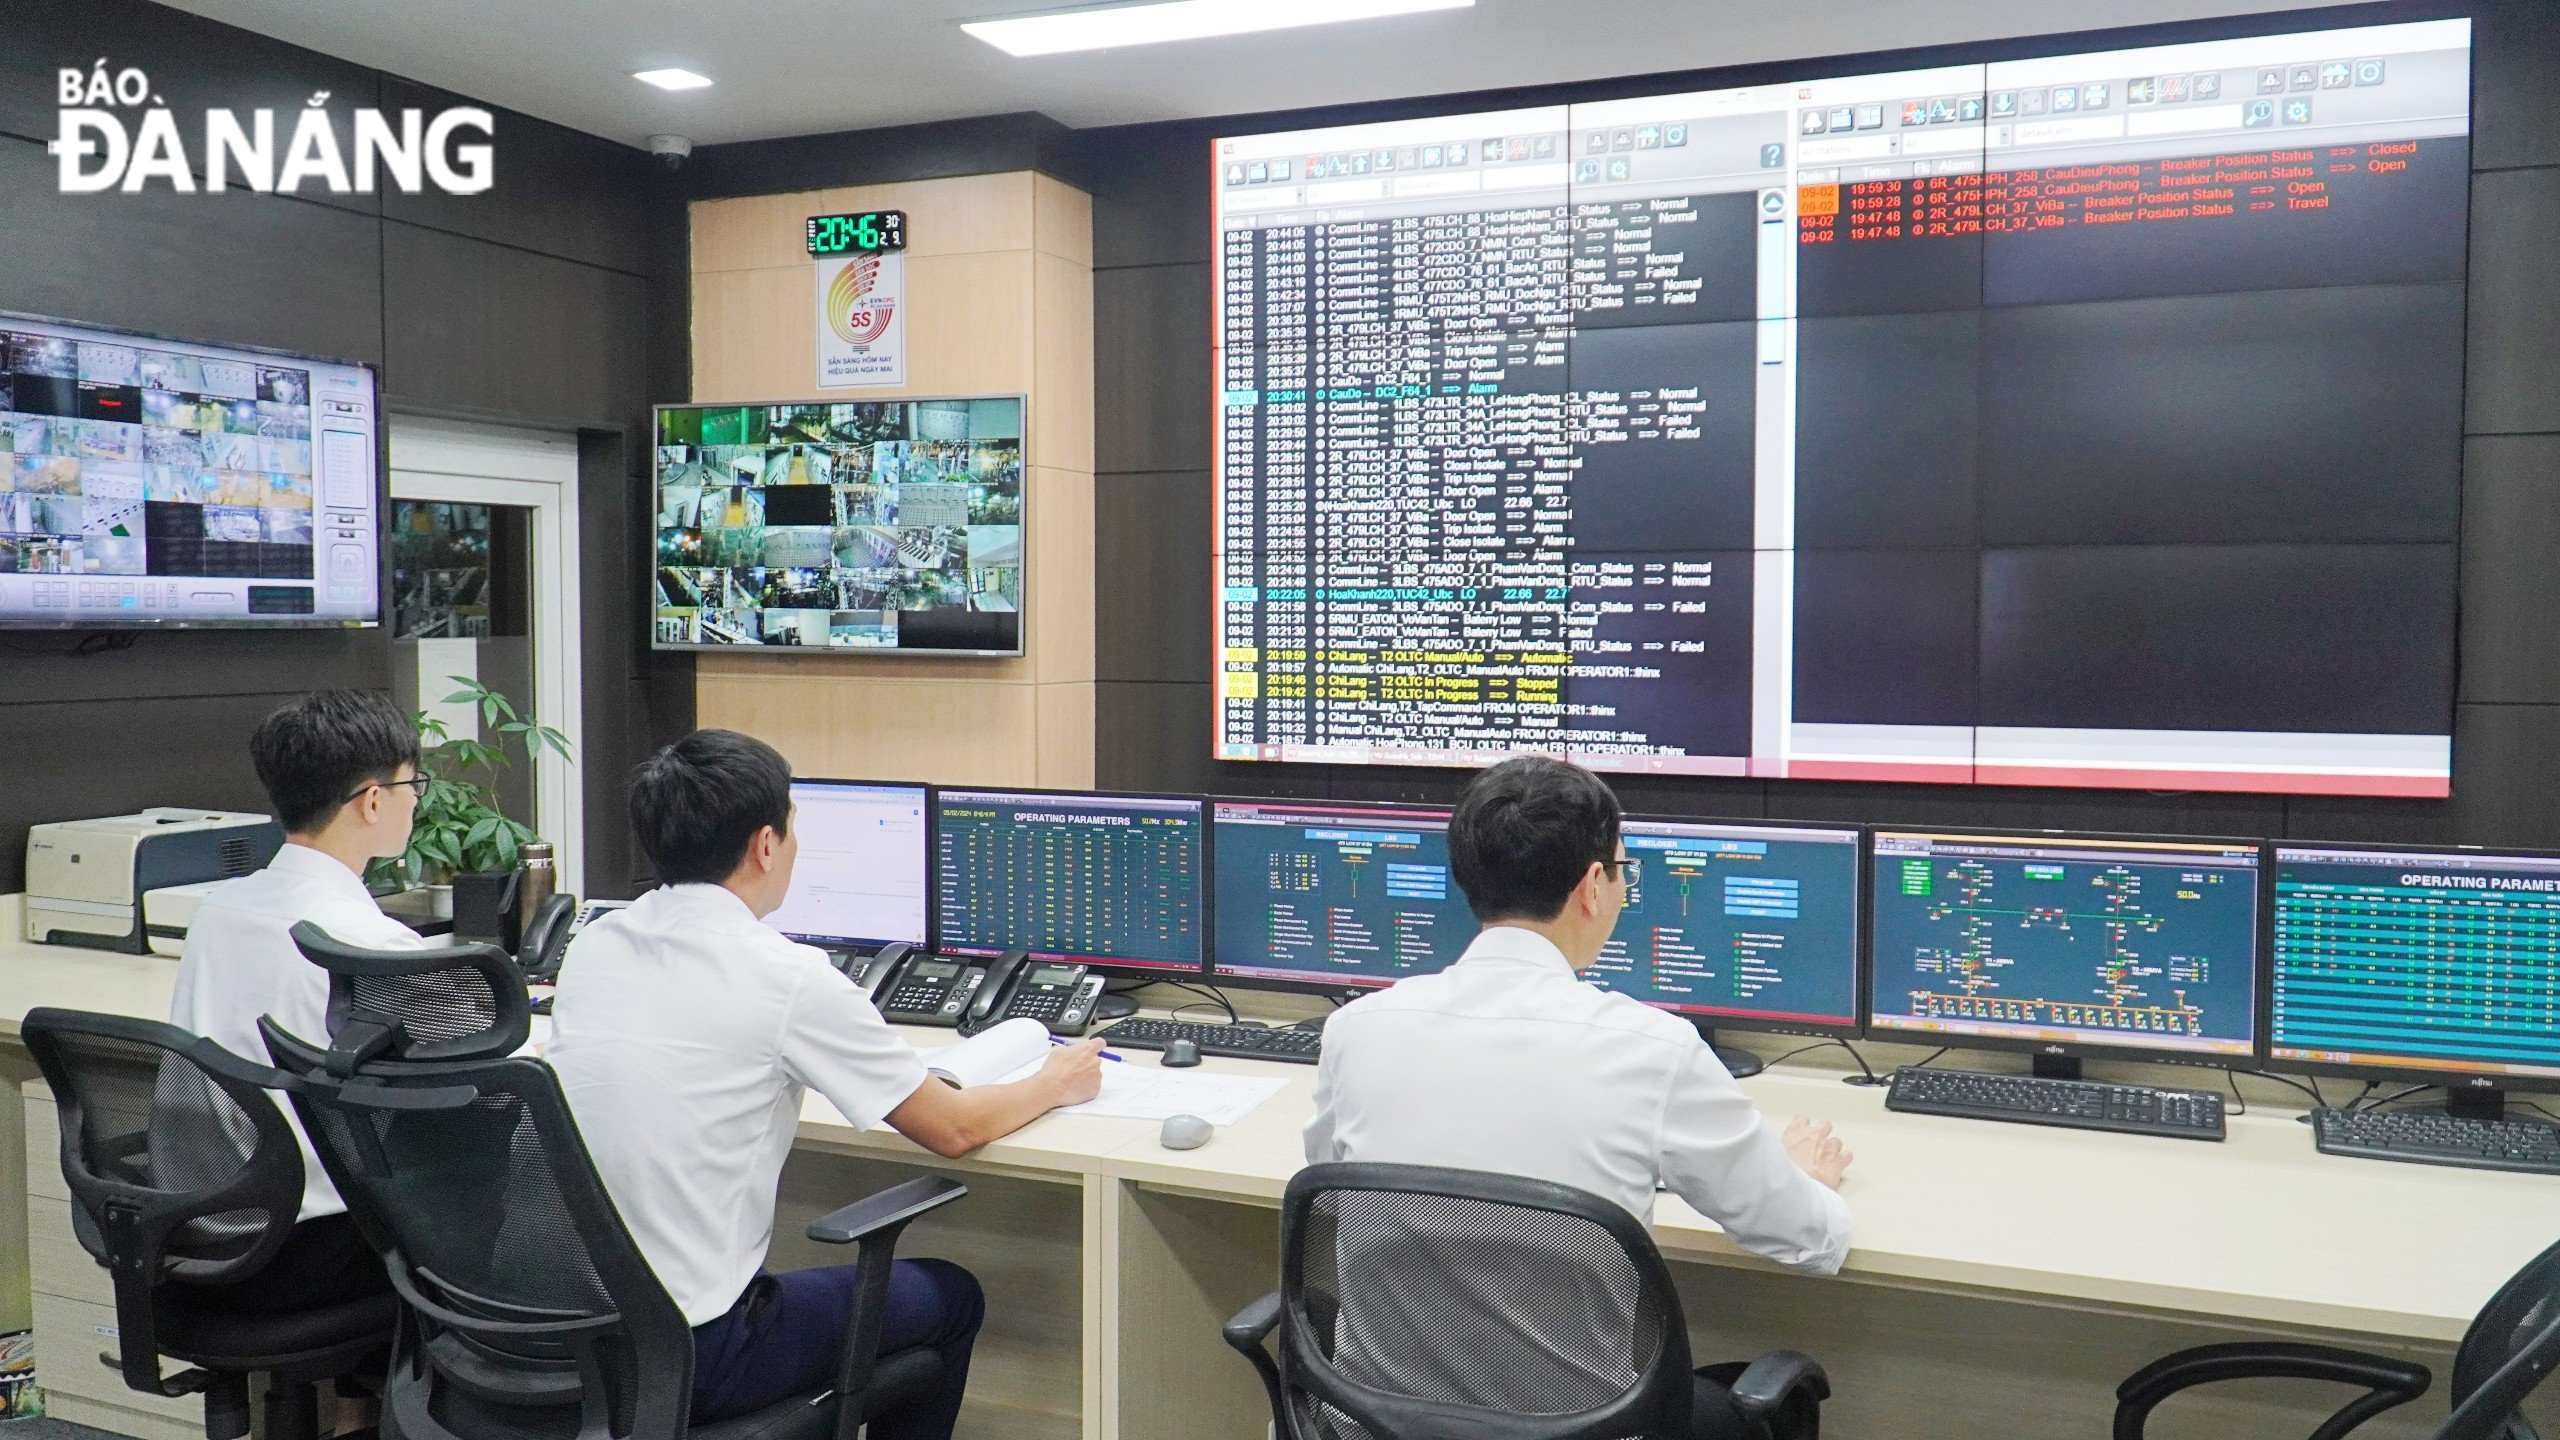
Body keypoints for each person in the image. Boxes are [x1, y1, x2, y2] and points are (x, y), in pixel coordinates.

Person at [547, 730, 1102, 1437]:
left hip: (565, 1339)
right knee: (952, 1296)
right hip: (694, 1353)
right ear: (765, 846)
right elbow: (954, 1129)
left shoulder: (596, 945)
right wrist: (1054, 1082)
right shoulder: (786, 976)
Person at [1303, 755, 1853, 1437]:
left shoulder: (1359, 1030)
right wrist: (1804, 1181)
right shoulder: (1654, 1050)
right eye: (1622, 870)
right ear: (1593, 886)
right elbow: (1805, 1237)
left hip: (1380, 1426)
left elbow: (1326, 1190)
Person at [170, 689, 425, 1311]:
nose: (417, 799)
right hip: (319, 1251)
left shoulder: (218, 910)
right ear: (372, 801)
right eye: (413, 783)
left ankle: (349, 1407)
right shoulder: (371, 941)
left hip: (214, 1234)